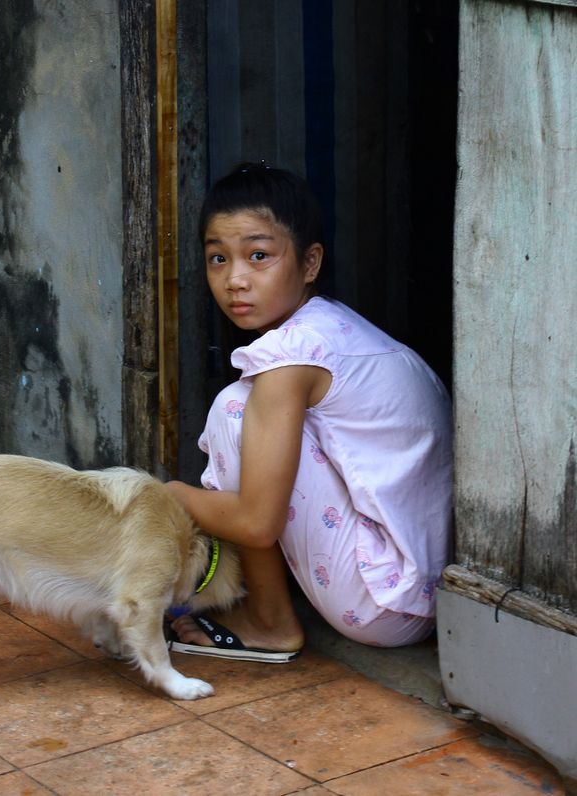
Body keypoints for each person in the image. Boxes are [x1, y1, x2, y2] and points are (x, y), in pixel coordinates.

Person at [165, 162, 452, 660]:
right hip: (427, 589)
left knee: (236, 409)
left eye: (259, 256)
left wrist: (167, 495)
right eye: (217, 259)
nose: (234, 279)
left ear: (310, 263)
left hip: (383, 604)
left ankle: (270, 622)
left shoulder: (290, 354)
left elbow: (256, 523)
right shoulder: (332, 327)